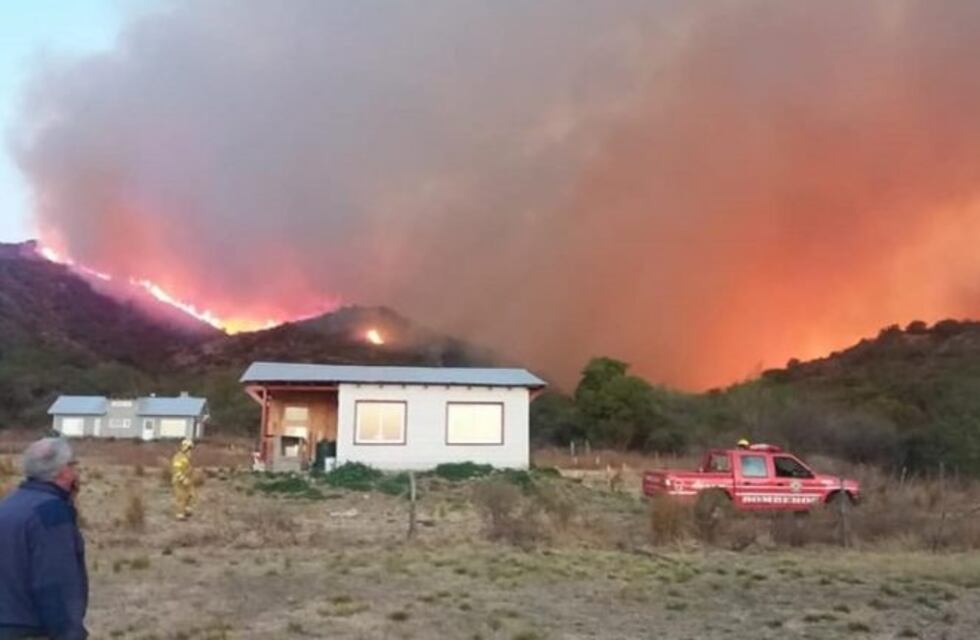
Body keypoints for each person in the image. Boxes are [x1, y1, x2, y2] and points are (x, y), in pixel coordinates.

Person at [0, 438, 88, 639]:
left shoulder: (7, 506)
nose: (77, 473)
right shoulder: (51, 514)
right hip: (29, 628)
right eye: (73, 465)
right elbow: (56, 583)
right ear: (63, 471)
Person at [170, 439, 196, 520]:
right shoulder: (178, 457)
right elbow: (177, 470)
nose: (191, 452)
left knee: (190, 495)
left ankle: (186, 510)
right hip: (179, 482)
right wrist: (183, 479)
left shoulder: (186, 458)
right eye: (189, 449)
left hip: (187, 481)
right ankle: (180, 514)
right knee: (181, 498)